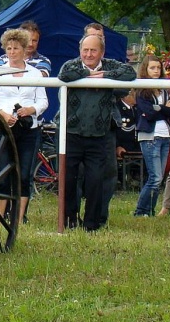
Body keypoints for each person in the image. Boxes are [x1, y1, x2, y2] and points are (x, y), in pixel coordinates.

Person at [58, 33, 136, 231]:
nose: (89, 54)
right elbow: (64, 75)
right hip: (71, 133)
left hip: (99, 135)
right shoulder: (71, 64)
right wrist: (88, 74)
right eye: (85, 50)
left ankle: (92, 225)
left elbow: (130, 73)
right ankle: (69, 220)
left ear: (102, 52)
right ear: (80, 50)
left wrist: (103, 76)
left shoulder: (110, 65)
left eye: (93, 50)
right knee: (69, 180)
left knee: (95, 181)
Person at [0, 28, 48, 224]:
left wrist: (30, 109)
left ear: (24, 49)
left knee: (24, 174)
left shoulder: (35, 73)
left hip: (28, 129)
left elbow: (43, 101)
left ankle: (18, 219)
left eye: (16, 48)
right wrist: (3, 114)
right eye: (9, 48)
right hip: (3, 128)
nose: (12, 52)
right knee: (2, 173)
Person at [132, 55, 170, 217]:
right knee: (155, 177)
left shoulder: (164, 89)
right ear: (145, 69)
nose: (156, 71)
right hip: (150, 136)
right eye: (152, 68)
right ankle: (141, 211)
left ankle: (149, 211)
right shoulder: (142, 91)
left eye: (158, 68)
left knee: (160, 176)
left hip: (165, 135)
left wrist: (160, 108)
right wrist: (164, 108)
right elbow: (149, 113)